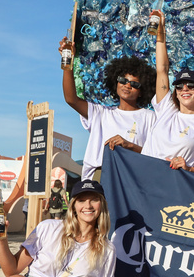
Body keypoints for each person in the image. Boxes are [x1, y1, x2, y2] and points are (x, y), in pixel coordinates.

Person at [60, 38, 156, 181]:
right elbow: (70, 99)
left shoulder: (150, 117)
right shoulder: (101, 113)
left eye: (134, 84)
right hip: (100, 176)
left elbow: (155, 155)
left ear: (142, 91)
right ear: (115, 82)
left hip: (133, 178)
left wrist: (129, 146)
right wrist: (68, 61)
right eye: (123, 80)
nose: (127, 85)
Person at [141, 10, 194, 175]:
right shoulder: (167, 107)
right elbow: (162, 69)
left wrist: (189, 168)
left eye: (190, 85)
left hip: (174, 186)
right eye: (179, 86)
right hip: (144, 177)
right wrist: (161, 32)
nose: (184, 89)